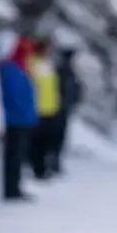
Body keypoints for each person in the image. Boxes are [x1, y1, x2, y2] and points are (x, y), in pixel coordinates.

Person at [0, 40, 38, 201]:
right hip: (15, 119)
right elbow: (15, 96)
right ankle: (11, 189)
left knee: (18, 155)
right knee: (13, 155)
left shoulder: (21, 69)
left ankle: (15, 186)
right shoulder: (12, 70)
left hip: (22, 119)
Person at [26, 37, 62, 179]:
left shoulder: (48, 64)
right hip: (38, 109)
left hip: (49, 109)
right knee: (37, 142)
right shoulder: (33, 63)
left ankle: (43, 167)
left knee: (46, 141)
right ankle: (38, 168)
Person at [49, 46, 82, 174]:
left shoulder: (62, 71)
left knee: (58, 137)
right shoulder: (65, 72)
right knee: (57, 137)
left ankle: (54, 161)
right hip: (59, 109)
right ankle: (53, 161)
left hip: (61, 108)